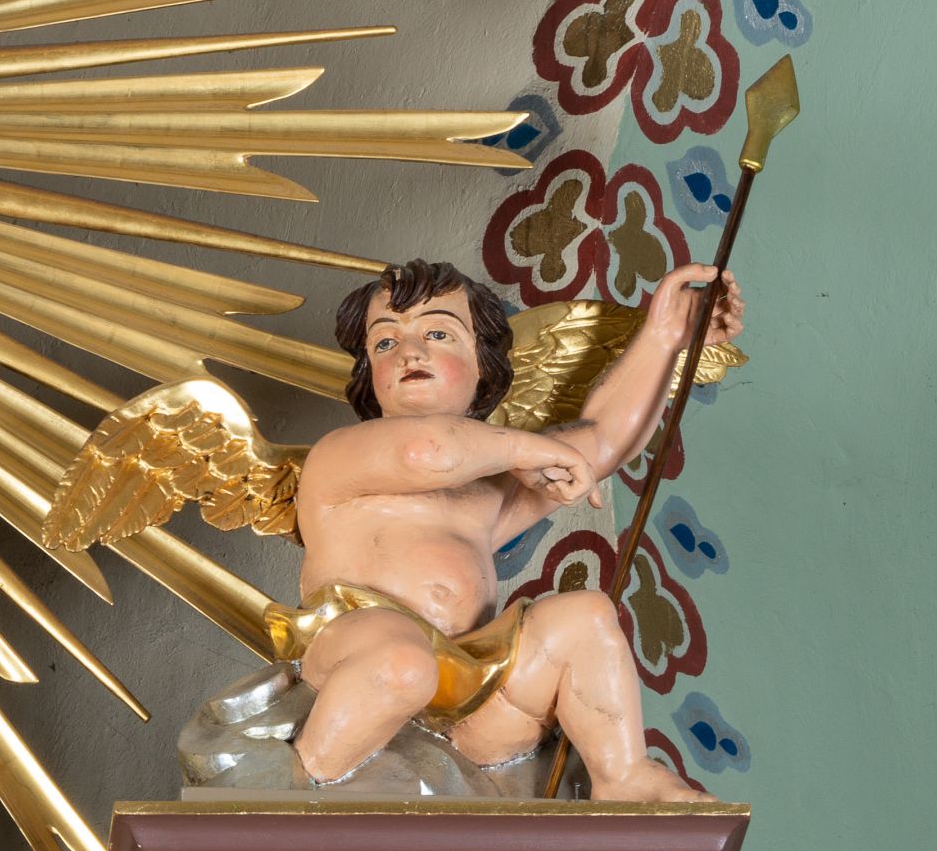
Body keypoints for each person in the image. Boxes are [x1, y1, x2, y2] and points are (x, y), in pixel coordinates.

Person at [273, 257, 738, 798]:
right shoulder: (340, 455)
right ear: (368, 375)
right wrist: (526, 450)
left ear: (482, 365)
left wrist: (665, 337)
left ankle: (623, 777)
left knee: (584, 617)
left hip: (470, 689)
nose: (410, 352)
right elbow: (428, 450)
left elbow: (603, 441)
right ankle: (300, 787)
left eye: (438, 333)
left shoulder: (490, 489)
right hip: (357, 660)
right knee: (400, 662)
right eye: (385, 342)